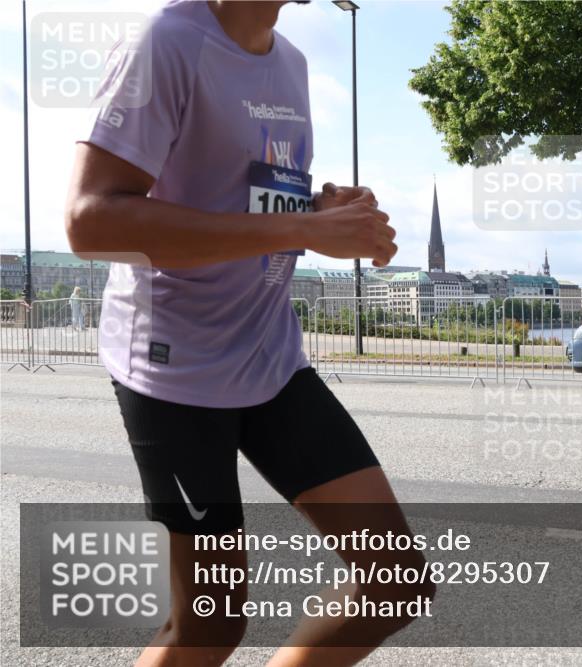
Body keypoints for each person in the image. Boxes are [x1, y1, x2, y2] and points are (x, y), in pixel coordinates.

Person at [65, 2, 431, 665]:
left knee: (393, 580)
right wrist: (301, 229)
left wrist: (317, 210)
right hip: (174, 368)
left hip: (269, 357)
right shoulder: (165, 43)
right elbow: (90, 222)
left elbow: (242, 196)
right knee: (208, 626)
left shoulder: (290, 62)